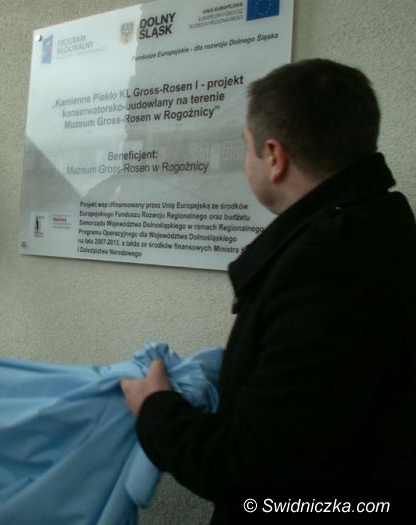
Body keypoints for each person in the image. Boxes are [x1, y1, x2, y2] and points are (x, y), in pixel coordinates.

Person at [121, 58, 416, 523]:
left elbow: (252, 470)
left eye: (247, 148)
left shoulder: (323, 267)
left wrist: (155, 408)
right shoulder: (383, 229)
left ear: (274, 157)